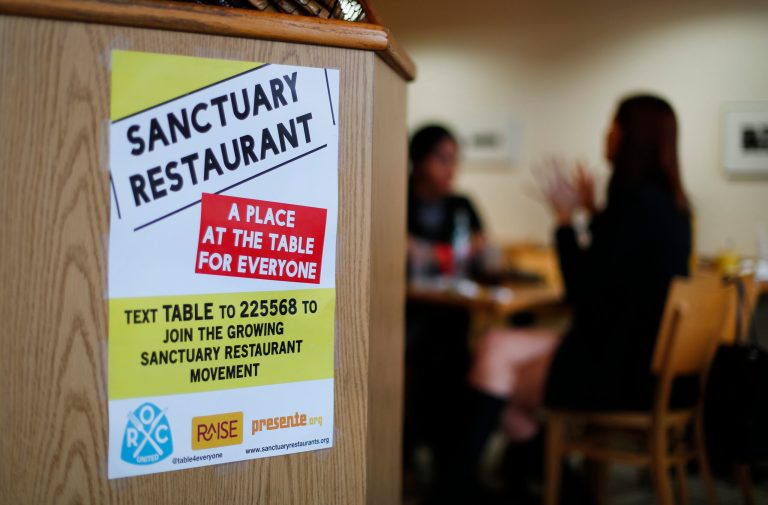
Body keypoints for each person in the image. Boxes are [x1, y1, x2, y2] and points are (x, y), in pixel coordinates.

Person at [465, 95, 693, 499]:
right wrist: (593, 210)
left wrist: (566, 220)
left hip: (615, 372)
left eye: (614, 126)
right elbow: (619, 267)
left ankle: (467, 487)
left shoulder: (631, 203)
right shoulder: (670, 207)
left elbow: (581, 290)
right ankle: (552, 487)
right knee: (496, 348)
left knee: (495, 365)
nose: (607, 134)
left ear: (630, 138)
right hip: (649, 367)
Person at [403, 125, 486, 503]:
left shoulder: (462, 205)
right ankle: (412, 465)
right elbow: (402, 253)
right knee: (426, 360)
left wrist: (431, 253)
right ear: (418, 160)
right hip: (406, 317)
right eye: (443, 159)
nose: (452, 169)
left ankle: (447, 471)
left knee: (457, 364)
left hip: (453, 319)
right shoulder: (396, 197)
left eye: (455, 160)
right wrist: (452, 254)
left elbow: (484, 252)